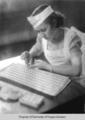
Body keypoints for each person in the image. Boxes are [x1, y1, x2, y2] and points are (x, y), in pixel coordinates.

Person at [21, 4, 82, 77]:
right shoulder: (42, 36)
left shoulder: (71, 39)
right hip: (55, 77)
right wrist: (30, 54)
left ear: (54, 22)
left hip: (74, 79)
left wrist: (48, 67)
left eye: (43, 29)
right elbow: (38, 47)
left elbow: (76, 70)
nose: (41, 35)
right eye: (38, 31)